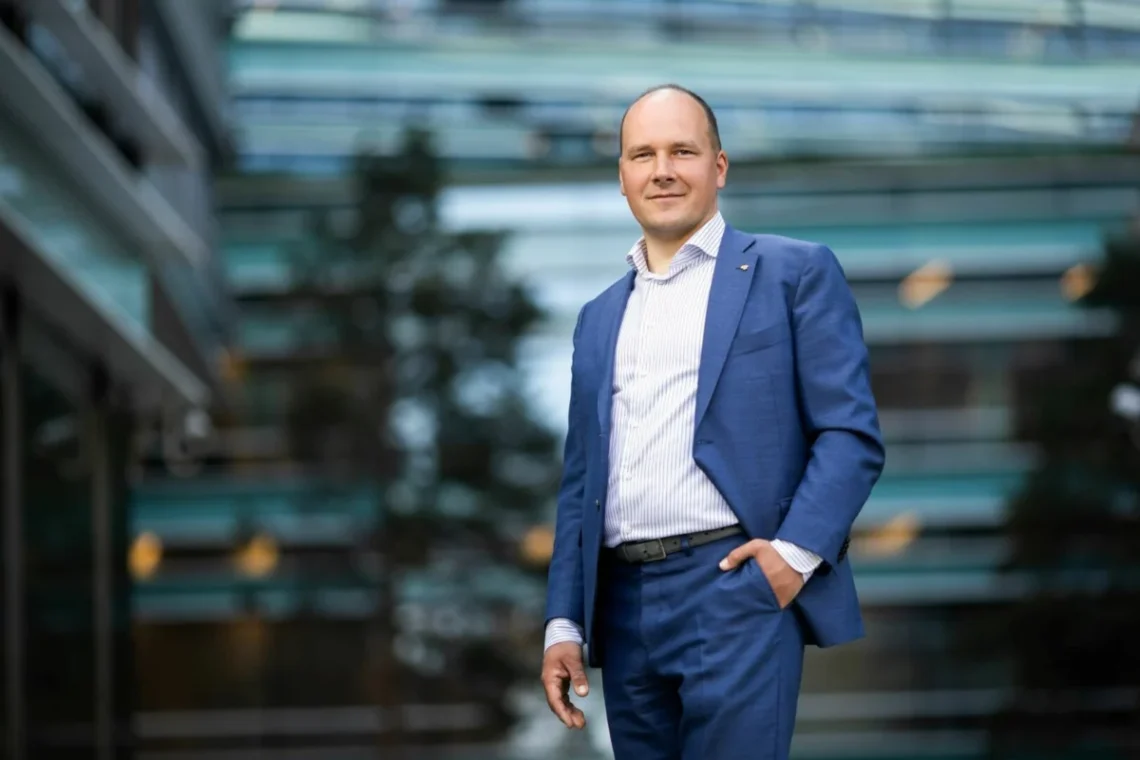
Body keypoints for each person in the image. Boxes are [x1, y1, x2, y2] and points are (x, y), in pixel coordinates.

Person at [540, 84, 886, 760]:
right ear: (622, 176)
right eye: (643, 155)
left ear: (718, 166)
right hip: (623, 607)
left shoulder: (794, 272)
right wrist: (563, 622)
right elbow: (581, 482)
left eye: (682, 151)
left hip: (735, 587)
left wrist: (790, 559)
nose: (662, 170)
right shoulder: (598, 317)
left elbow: (850, 434)